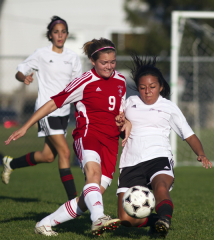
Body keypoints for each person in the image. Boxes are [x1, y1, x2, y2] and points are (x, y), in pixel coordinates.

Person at [5, 38, 127, 236]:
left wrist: (122, 119)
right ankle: (99, 219)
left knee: (89, 198)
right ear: (93, 61)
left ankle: (44, 224)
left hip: (111, 142)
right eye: (104, 62)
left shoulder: (120, 80)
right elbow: (53, 103)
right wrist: (26, 126)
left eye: (112, 62)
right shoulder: (84, 81)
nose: (109, 66)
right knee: (93, 177)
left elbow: (119, 109)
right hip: (88, 135)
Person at [115, 55, 212, 238]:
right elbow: (119, 128)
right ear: (138, 88)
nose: (148, 92)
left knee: (160, 187)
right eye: (143, 88)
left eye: (152, 87)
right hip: (131, 162)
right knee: (126, 219)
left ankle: (164, 221)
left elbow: (189, 135)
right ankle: (156, 221)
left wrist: (201, 153)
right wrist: (121, 122)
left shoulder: (168, 107)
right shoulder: (129, 103)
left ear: (160, 87)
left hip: (158, 157)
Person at [2, 16, 82, 200]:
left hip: (63, 113)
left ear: (67, 35)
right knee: (65, 152)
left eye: (63, 32)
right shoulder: (41, 54)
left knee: (47, 156)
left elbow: (77, 86)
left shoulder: (73, 58)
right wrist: (24, 78)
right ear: (50, 35)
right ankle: (74, 202)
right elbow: (20, 71)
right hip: (45, 113)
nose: (60, 35)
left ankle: (10, 163)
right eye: (56, 32)